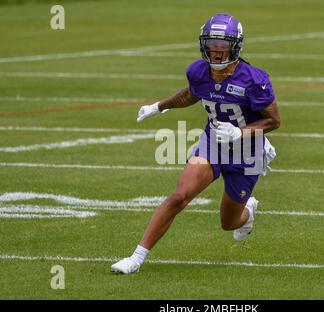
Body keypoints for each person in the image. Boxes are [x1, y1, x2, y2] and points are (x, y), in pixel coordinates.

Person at [111, 13, 281, 274]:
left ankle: (249, 211)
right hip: (212, 144)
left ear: (234, 46)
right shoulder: (198, 71)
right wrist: (159, 106)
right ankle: (136, 258)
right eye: (212, 44)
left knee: (228, 223)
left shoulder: (255, 80)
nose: (216, 51)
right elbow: (192, 94)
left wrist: (240, 133)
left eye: (223, 45)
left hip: (246, 154)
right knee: (179, 196)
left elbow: (273, 121)